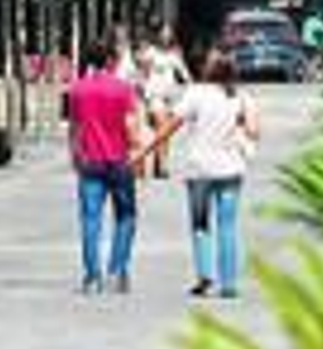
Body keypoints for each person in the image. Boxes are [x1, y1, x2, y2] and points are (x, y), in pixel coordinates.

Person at [147, 48, 260, 300]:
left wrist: (147, 151)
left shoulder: (196, 94)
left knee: (201, 224)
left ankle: (205, 275)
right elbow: (254, 132)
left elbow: (171, 126)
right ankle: (229, 283)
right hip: (231, 169)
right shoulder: (240, 97)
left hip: (199, 170)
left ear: (209, 70)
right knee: (228, 226)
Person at [66, 37, 142, 295]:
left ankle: (92, 276)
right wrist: (137, 148)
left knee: (90, 219)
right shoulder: (123, 89)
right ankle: (117, 270)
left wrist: (75, 156)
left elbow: (75, 128)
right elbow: (130, 127)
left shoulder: (77, 89)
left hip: (89, 161)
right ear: (110, 60)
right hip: (119, 160)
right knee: (126, 216)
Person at [140, 27, 189, 178]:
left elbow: (184, 74)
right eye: (163, 35)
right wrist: (145, 97)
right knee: (163, 127)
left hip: (170, 99)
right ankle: (162, 166)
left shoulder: (174, 55)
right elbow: (143, 75)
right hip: (155, 97)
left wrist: (190, 87)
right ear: (158, 37)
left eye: (169, 35)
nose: (166, 37)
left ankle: (159, 161)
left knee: (164, 133)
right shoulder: (150, 53)